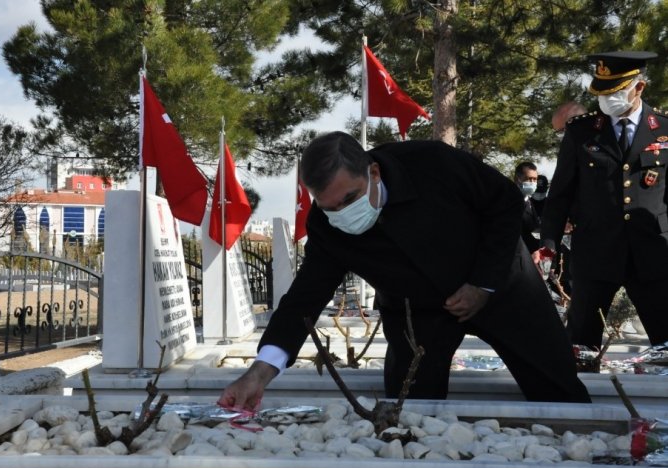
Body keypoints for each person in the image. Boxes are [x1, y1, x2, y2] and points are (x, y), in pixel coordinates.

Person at [218, 131, 591, 410]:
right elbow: (305, 297)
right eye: (330, 207)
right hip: (418, 315)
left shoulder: (432, 163)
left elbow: (505, 203)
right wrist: (260, 372)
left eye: (350, 199)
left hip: (502, 288)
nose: (342, 214)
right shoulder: (326, 225)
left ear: (374, 172)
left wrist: (482, 284)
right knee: (408, 412)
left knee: (558, 391)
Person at [537, 51, 668, 350]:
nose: (606, 101)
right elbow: (561, 194)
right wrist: (549, 243)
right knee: (582, 347)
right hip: (595, 254)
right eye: (601, 93)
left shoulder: (664, 129)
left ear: (639, 88)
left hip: (653, 256)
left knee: (666, 344)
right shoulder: (582, 131)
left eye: (615, 92)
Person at [513, 161, 541, 253]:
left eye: (535, 179)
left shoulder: (530, 201)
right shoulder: (510, 203)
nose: (532, 183)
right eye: (528, 179)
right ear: (517, 179)